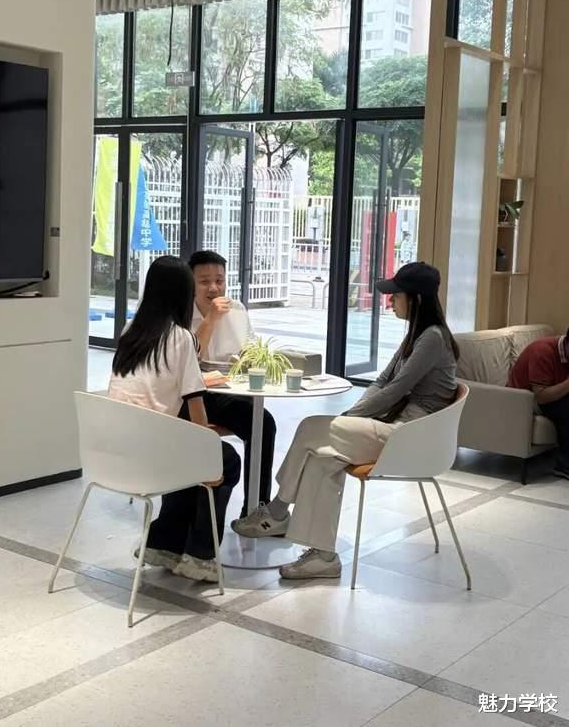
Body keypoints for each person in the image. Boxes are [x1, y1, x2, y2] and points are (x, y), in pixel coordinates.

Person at [233, 262, 459, 581]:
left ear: (417, 299)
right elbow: (382, 380)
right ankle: (323, 556)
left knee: (312, 427)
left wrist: (350, 418)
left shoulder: (432, 337)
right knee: (322, 459)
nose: (390, 301)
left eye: (396, 295)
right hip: (398, 429)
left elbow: (396, 389)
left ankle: (277, 512)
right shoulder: (418, 334)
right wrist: (354, 415)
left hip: (410, 437)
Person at [107, 255, 241, 583]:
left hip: (112, 451)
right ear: (184, 294)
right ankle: (201, 556)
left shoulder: (129, 330)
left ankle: (163, 543)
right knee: (223, 460)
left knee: (192, 454)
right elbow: (196, 410)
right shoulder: (180, 338)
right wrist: (208, 449)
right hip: (151, 456)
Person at [188, 250, 277, 517]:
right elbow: (189, 358)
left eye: (219, 280)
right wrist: (210, 319)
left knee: (262, 424)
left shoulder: (237, 310)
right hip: (197, 394)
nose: (214, 288)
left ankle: (256, 507)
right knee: (260, 421)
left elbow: (252, 350)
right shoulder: (183, 313)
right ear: (191, 283)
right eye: (204, 281)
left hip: (233, 390)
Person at [508, 328, 569, 480]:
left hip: (554, 394)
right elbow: (541, 395)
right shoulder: (542, 351)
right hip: (525, 400)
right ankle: (564, 465)